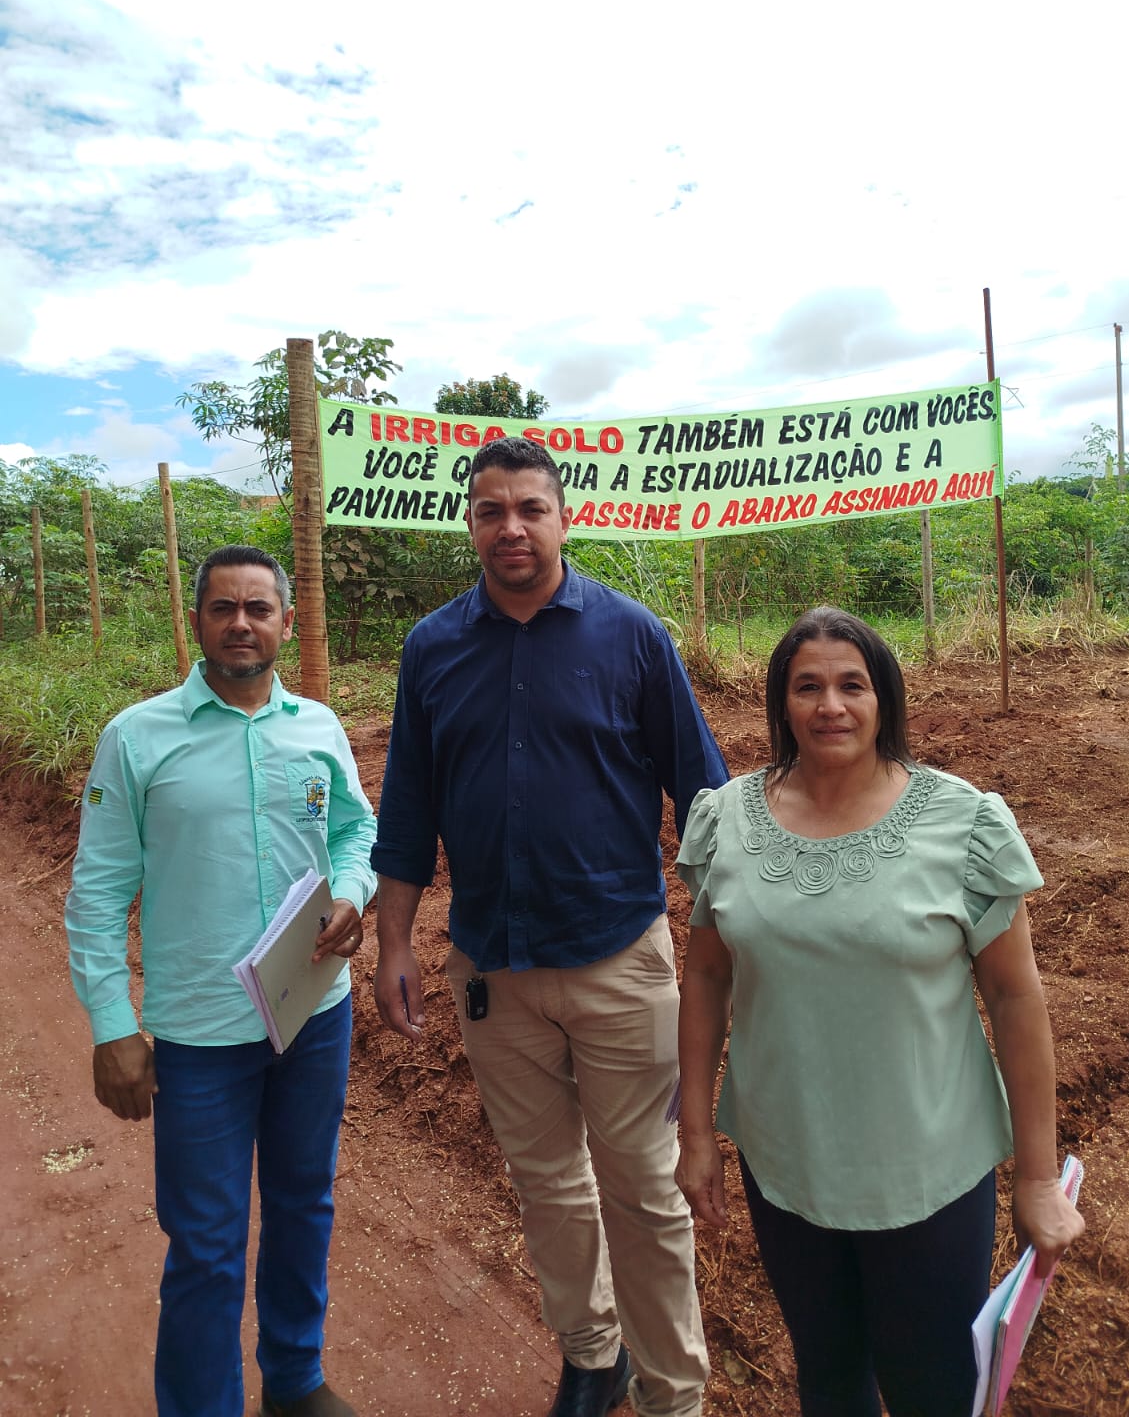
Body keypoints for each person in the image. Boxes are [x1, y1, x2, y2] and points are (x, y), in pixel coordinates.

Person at [371, 435, 728, 1417]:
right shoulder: (433, 649)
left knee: (646, 1194)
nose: (512, 526)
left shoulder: (632, 636)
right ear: (472, 524)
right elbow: (406, 812)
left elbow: (705, 796)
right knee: (548, 1185)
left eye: (531, 507)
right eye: (492, 510)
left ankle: (673, 1394)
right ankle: (591, 1351)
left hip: (622, 963)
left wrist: (733, 937)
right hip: (493, 970)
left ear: (564, 516)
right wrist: (394, 940)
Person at [674, 606, 1085, 1417]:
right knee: (829, 1377)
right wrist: (695, 1135)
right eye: (808, 687)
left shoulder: (960, 823)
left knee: (931, 1387)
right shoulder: (727, 822)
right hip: (785, 1163)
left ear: (883, 699)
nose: (831, 705)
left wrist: (1037, 1178)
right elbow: (708, 979)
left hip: (927, 1175)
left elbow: (1015, 997)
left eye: (852, 685)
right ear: (781, 704)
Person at [65, 546, 377, 1417]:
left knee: (304, 1202)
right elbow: (95, 893)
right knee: (205, 1244)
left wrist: (353, 894)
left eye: (258, 608)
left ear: (286, 621)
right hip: (200, 1036)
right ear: (196, 620)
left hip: (314, 1014)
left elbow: (356, 831)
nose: (241, 622)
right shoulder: (137, 737)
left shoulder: (317, 728)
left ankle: (294, 1378)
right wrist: (110, 1024)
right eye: (222, 607)